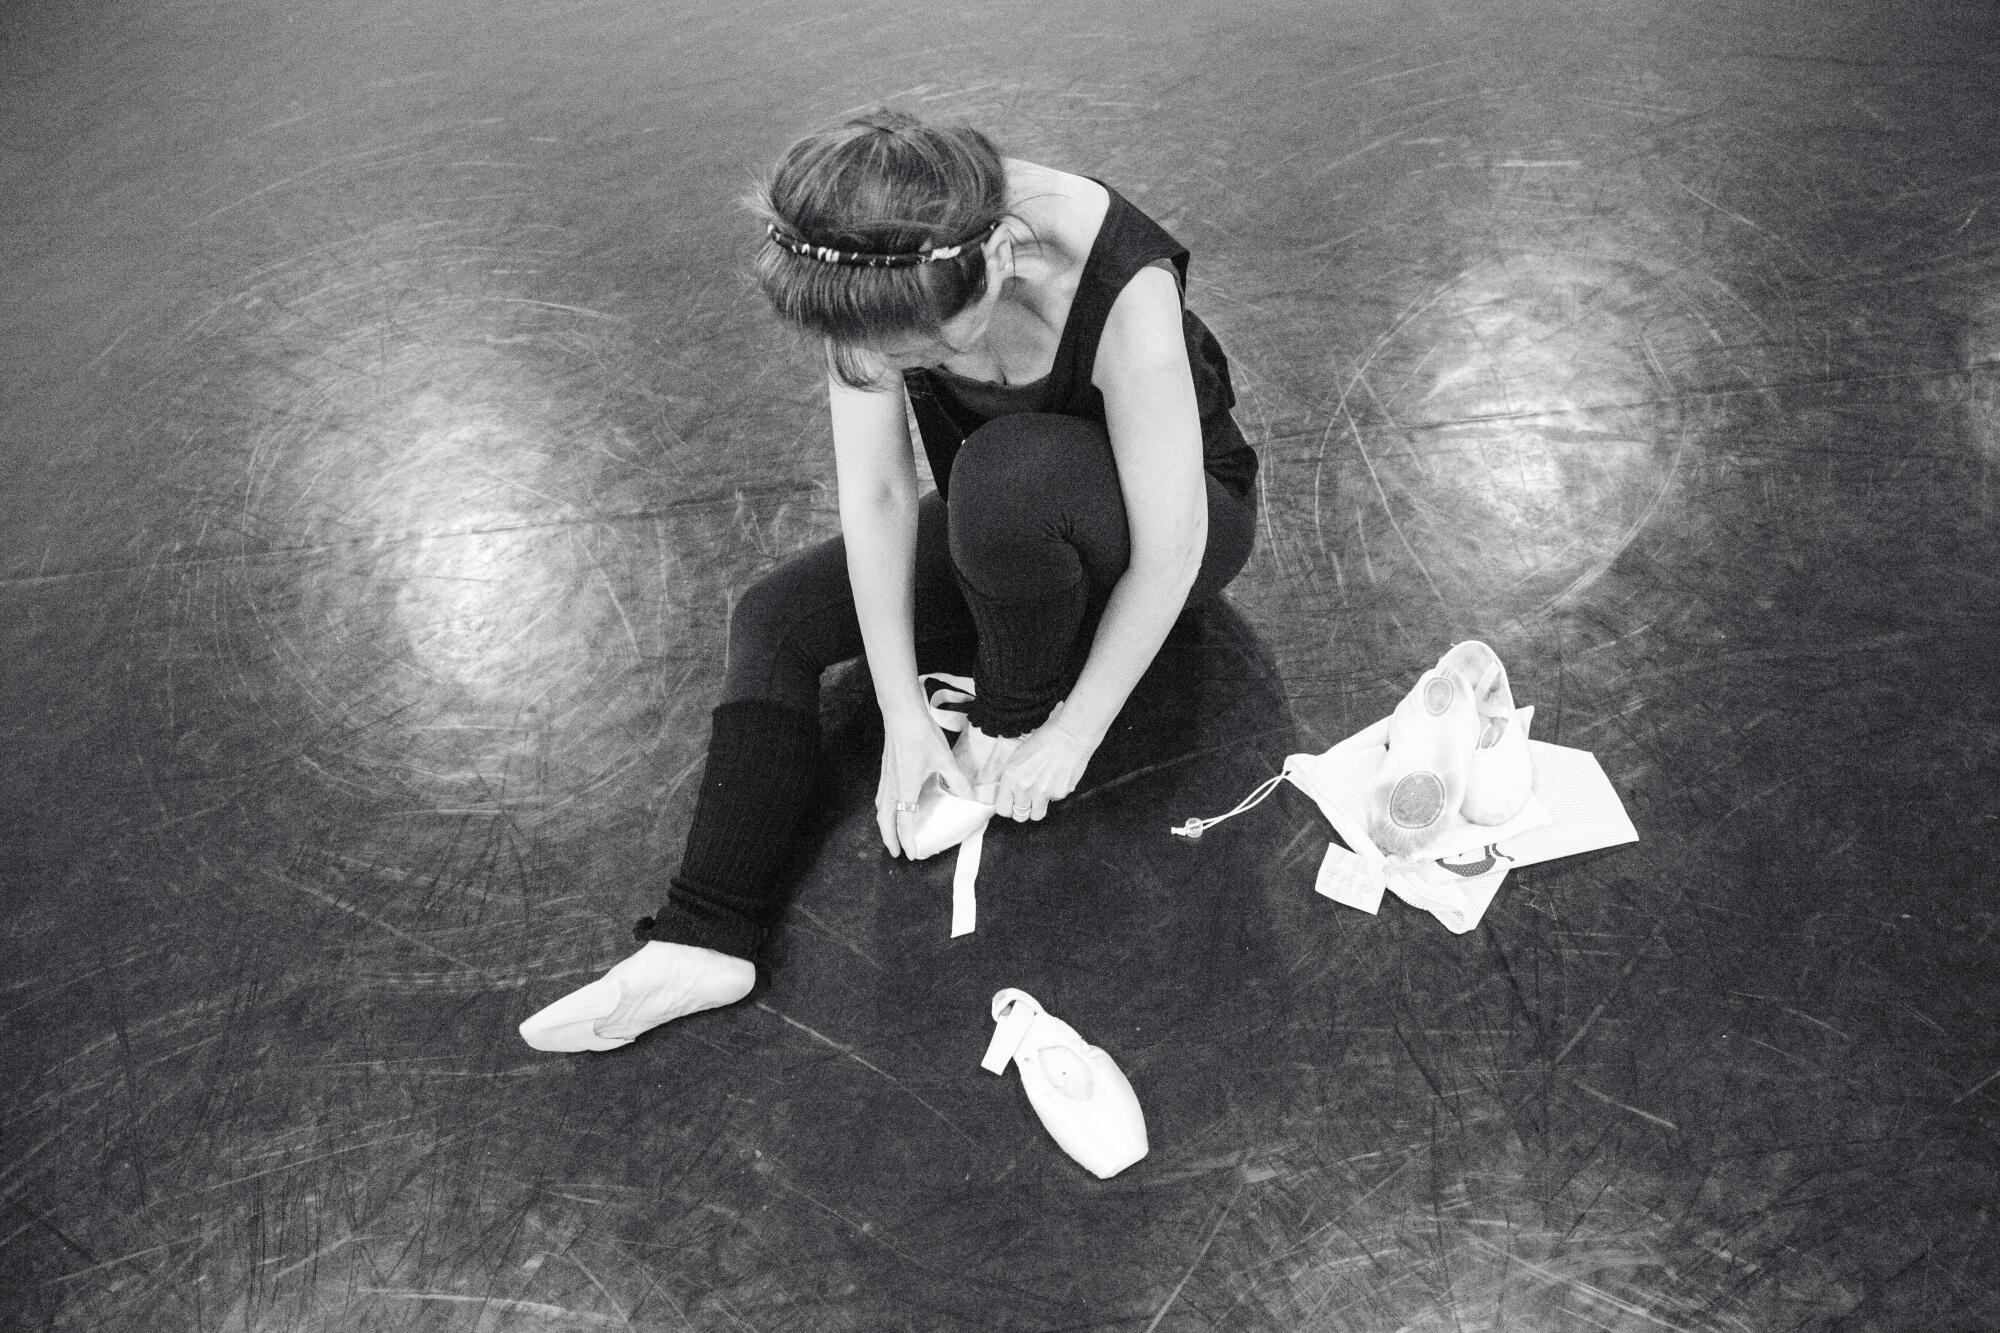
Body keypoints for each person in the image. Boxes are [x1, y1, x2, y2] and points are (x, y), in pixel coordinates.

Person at [518, 108, 1258, 1052]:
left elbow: (1171, 549)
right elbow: (876, 493)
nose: (920, 373)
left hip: (1181, 519)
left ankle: (1012, 705)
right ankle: (705, 932)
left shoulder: (1121, 286)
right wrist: (904, 711)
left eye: (931, 355)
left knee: (1004, 477)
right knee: (776, 619)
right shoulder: (866, 263)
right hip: (1015, 525)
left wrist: (1069, 730)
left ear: (990, 267)